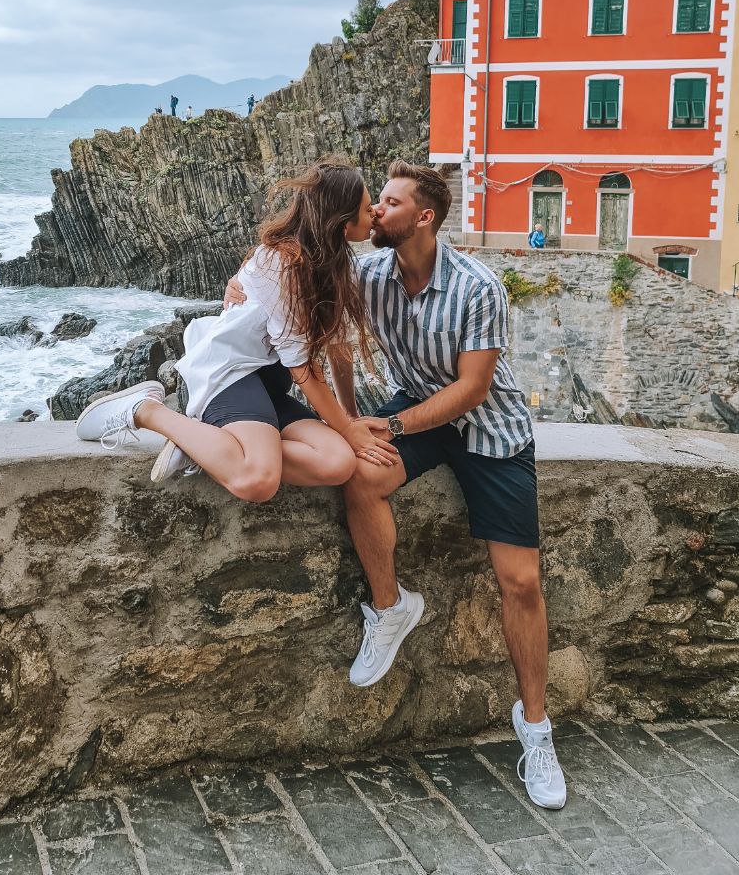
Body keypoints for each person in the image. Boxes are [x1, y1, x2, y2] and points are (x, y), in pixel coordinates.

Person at [225, 160, 566, 812]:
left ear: (424, 216)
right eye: (374, 202)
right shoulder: (368, 274)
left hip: (488, 428)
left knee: (520, 581)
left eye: (388, 202)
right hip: (414, 414)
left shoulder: (478, 286)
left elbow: (474, 388)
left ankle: (536, 730)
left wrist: (389, 421)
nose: (374, 212)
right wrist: (241, 285)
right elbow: (323, 324)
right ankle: (390, 608)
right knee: (362, 475)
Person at [75, 160, 391, 507]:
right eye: (367, 207)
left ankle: (209, 445)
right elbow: (304, 371)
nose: (375, 212)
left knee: (338, 462)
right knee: (258, 479)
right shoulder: (283, 264)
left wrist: (351, 419)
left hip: (267, 381)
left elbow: (338, 349)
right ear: (343, 225)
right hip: (228, 372)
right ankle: (145, 411)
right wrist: (347, 429)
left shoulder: (339, 267)